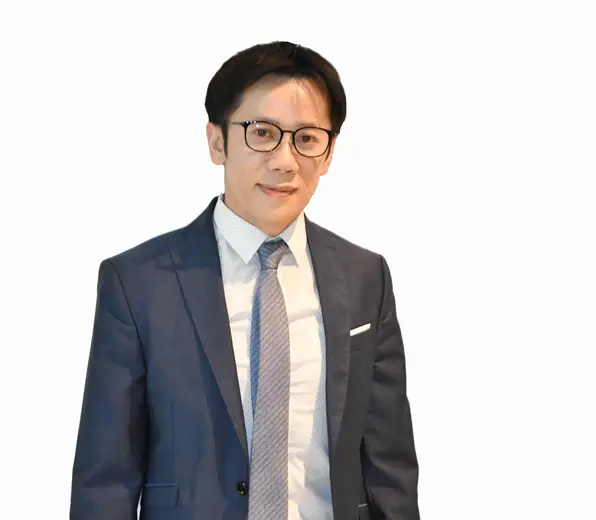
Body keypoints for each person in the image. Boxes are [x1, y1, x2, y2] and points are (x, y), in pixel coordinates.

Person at [70, 41, 420, 520]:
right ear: (218, 141)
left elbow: (390, 466)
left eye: (306, 138)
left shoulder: (364, 277)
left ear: (329, 153)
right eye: (262, 133)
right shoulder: (138, 283)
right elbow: (105, 480)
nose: (285, 160)